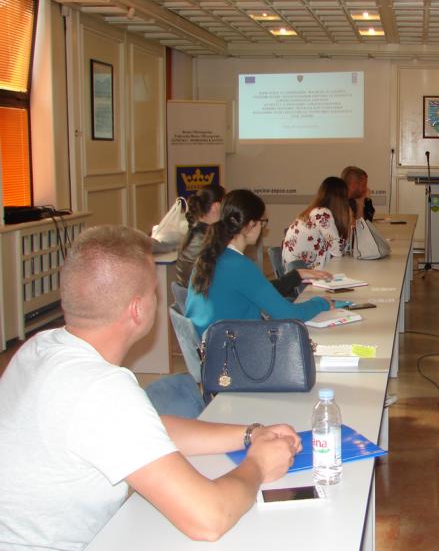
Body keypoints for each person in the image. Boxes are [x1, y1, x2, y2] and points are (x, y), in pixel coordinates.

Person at [0, 225, 301, 549]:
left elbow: (147, 430)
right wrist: (258, 464)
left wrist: (252, 434)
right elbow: (209, 518)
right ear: (137, 309)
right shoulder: (101, 389)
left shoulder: (38, 348)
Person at [186, 189, 331, 337]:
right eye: (262, 222)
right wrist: (321, 303)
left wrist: (296, 275)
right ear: (251, 224)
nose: (262, 227)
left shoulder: (207, 257)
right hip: (234, 346)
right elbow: (289, 315)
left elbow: (256, 289)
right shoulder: (239, 265)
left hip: (211, 344)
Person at [176, 185, 331, 297]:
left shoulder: (195, 237)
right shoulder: (223, 255)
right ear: (217, 207)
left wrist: (296, 275)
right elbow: (260, 293)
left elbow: (254, 287)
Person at [283, 176, 352, 270]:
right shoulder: (321, 213)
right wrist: (349, 218)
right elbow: (337, 251)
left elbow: (340, 248)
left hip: (296, 271)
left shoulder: (314, 211)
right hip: (302, 275)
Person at [175, 184, 225, 287]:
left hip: (188, 294)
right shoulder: (209, 242)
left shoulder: (191, 235)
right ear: (216, 206)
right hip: (202, 295)